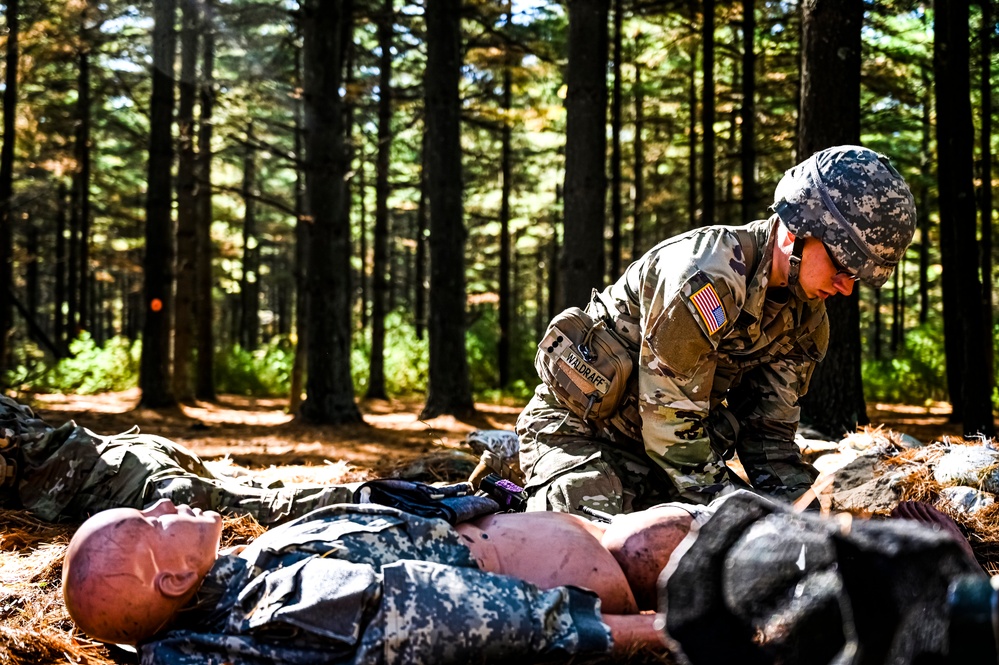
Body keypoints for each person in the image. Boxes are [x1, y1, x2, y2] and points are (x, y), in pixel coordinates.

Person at [519, 145, 916, 515]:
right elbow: (670, 423)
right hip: (576, 438)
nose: (846, 287)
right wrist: (733, 509)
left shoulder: (806, 323)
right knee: (596, 541)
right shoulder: (706, 276)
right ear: (800, 226)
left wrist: (809, 518)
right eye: (843, 265)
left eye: (858, 277)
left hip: (667, 463)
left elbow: (770, 445)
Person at [62, 498, 702, 662]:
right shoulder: (283, 606)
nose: (166, 508)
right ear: (171, 580)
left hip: (539, 538)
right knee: (675, 536)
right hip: (581, 578)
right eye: (152, 524)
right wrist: (650, 630)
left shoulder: (226, 582)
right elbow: (450, 615)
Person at [0, 393, 352, 525]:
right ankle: (373, 494)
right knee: (253, 491)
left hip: (118, 481)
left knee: (259, 507)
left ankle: (379, 497)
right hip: (131, 452)